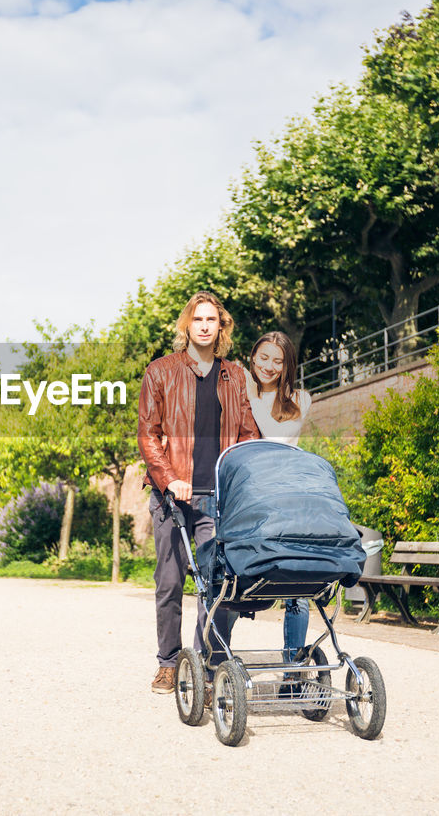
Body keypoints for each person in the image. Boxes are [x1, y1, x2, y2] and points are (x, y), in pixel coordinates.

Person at [138, 291, 260, 695]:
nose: (205, 326)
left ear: (220, 327)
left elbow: (247, 433)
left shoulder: (235, 376)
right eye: (198, 319)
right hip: (171, 495)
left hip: (215, 497)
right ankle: (169, 664)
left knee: (218, 581)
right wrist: (169, 478)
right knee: (170, 582)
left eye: (212, 320)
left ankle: (207, 663)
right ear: (186, 325)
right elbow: (149, 434)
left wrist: (243, 479)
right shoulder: (160, 372)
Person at [243, 331, 314, 664]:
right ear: (253, 356)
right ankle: (216, 663)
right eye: (263, 357)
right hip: (248, 503)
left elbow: (277, 436)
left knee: (299, 587)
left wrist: (247, 391)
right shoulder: (239, 392)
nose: (269, 366)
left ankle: (293, 670)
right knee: (233, 583)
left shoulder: (300, 398)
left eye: (278, 360)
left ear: (288, 366)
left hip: (287, 502)